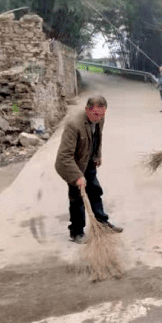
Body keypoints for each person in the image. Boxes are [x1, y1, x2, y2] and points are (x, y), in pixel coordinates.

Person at [55, 95, 123, 243]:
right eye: (96, 114)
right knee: (78, 197)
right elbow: (64, 156)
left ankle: (102, 224)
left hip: (88, 160)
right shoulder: (74, 125)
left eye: (102, 114)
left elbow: (98, 137)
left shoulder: (99, 118)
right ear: (87, 110)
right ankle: (76, 232)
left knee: (95, 191)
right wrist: (77, 176)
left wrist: (97, 155)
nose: (99, 118)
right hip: (71, 164)